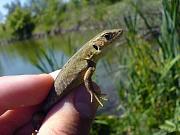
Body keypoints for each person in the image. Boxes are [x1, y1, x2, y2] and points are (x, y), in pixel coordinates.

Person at [0, 70, 99, 135]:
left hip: (49, 102)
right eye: (107, 36)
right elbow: (86, 78)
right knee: (38, 115)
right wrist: (91, 92)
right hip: (46, 105)